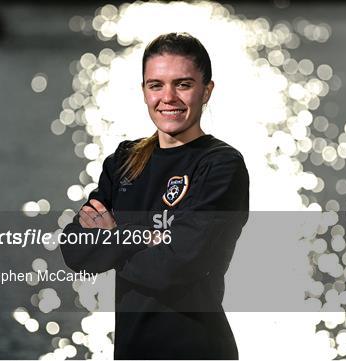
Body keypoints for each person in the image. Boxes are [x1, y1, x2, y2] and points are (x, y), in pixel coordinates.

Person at [60, 32, 249, 360]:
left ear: (207, 91)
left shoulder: (220, 165)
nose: (169, 97)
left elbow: (176, 266)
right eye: (156, 84)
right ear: (144, 91)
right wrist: (146, 237)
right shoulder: (125, 159)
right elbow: (75, 251)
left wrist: (113, 237)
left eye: (184, 84)